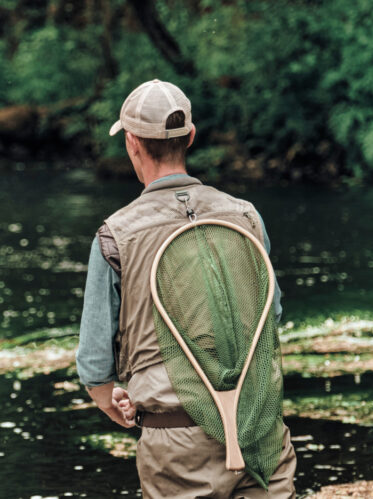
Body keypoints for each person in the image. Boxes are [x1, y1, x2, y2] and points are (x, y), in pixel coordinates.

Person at [76, 79, 297, 498]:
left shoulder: (114, 236)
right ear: (191, 136)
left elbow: (95, 365)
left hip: (176, 444)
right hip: (260, 430)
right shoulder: (246, 216)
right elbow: (272, 315)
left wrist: (110, 400)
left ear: (131, 143)